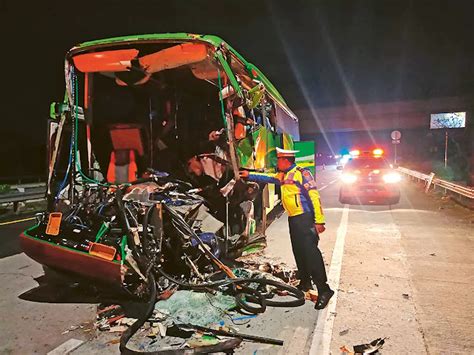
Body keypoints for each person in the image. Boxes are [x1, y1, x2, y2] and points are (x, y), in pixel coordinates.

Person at [240, 147, 334, 310]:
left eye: (279, 160)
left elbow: (314, 195)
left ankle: (324, 290)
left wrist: (319, 221)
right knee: (298, 251)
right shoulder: (284, 175)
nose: (277, 163)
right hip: (294, 219)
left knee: (311, 254)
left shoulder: (302, 173)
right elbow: (268, 177)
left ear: (285, 161)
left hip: (305, 218)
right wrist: (249, 175)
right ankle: (305, 283)